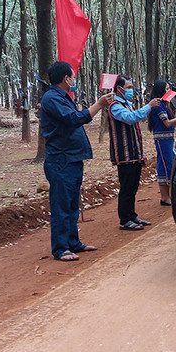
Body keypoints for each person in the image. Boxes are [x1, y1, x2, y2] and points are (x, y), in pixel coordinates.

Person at [39, 61, 114, 261]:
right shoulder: (51, 98)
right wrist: (99, 104)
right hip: (60, 160)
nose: (74, 79)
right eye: (73, 76)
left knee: (72, 204)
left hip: (72, 158)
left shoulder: (63, 97)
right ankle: (60, 248)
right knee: (61, 205)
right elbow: (74, 119)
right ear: (66, 79)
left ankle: (73, 242)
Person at [107, 75, 161, 231]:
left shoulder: (127, 104)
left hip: (134, 153)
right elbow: (131, 118)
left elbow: (137, 119)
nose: (131, 90)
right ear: (119, 89)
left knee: (133, 187)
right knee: (126, 187)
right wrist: (149, 106)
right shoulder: (115, 106)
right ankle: (125, 219)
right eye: (129, 87)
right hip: (125, 155)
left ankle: (131, 215)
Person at [149, 80, 176, 205]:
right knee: (165, 166)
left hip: (168, 140)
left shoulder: (164, 104)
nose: (169, 91)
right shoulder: (158, 105)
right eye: (167, 89)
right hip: (162, 140)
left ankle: (167, 196)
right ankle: (165, 197)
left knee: (169, 165)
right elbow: (167, 123)